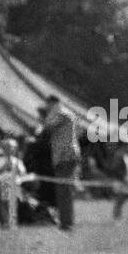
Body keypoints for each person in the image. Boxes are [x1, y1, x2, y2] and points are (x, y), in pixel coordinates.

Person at [42, 95, 80, 231]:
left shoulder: (62, 114)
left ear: (52, 103)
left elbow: (47, 126)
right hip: (63, 156)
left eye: (48, 105)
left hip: (66, 156)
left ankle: (66, 223)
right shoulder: (64, 114)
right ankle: (65, 222)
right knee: (63, 190)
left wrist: (47, 113)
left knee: (64, 190)